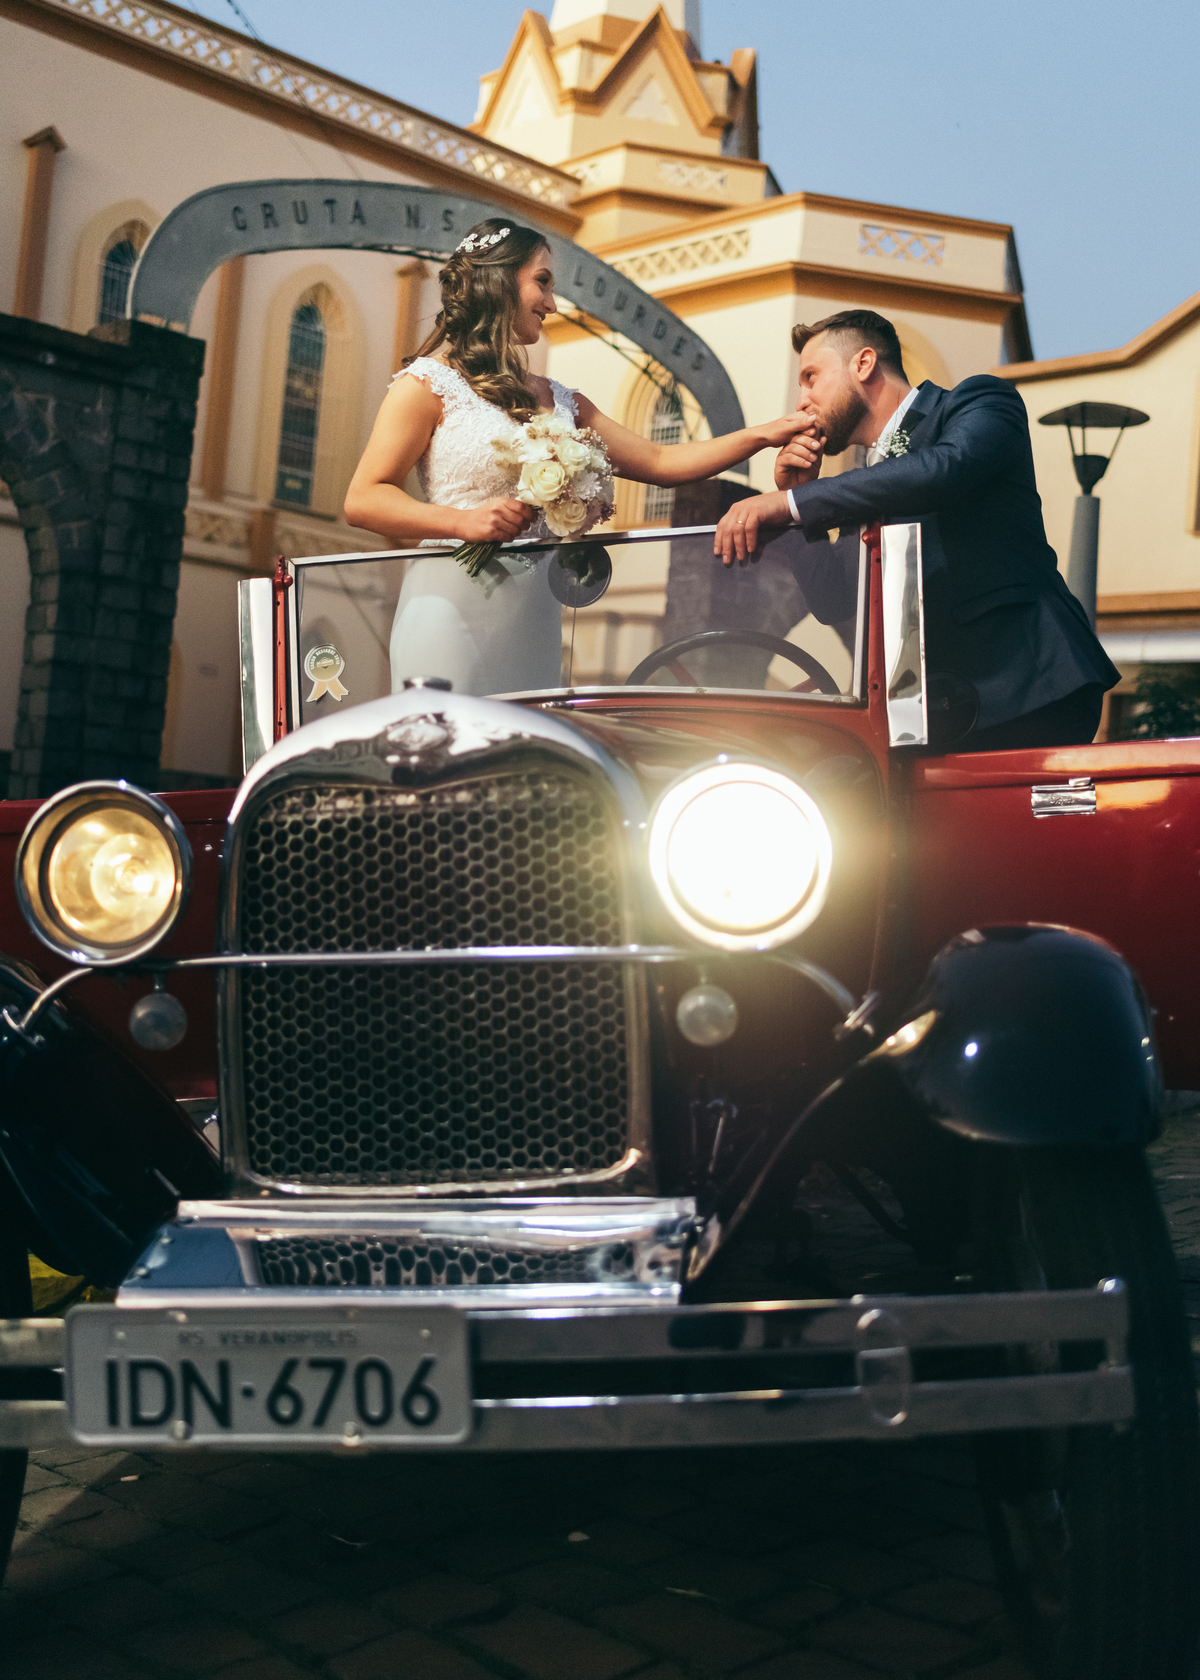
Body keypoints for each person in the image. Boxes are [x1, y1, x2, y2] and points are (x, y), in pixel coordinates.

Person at [345, 218, 814, 697]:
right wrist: (460, 523)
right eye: (542, 282)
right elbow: (363, 499)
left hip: (535, 615)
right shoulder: (426, 385)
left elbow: (660, 462)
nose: (551, 303)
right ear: (499, 281)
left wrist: (763, 434)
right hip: (449, 607)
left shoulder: (564, 401)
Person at [713, 309, 1120, 750]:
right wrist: (794, 503)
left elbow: (945, 469)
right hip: (930, 709)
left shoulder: (979, 401)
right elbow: (833, 598)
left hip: (1030, 687)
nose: (802, 401)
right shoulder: (862, 479)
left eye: (812, 377)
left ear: (863, 364)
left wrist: (793, 503)